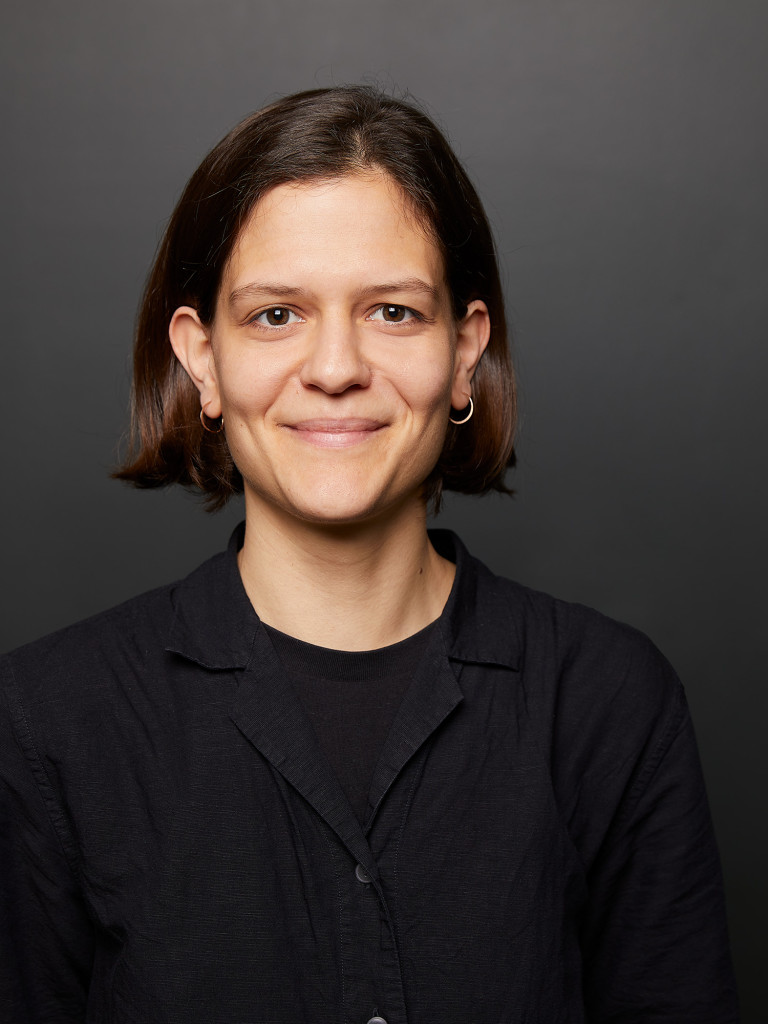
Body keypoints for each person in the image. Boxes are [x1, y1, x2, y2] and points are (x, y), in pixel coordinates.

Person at [0, 86, 738, 1023]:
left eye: (393, 311)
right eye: (277, 315)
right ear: (203, 361)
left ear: (466, 352)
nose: (337, 366)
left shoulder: (609, 703)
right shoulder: (45, 724)